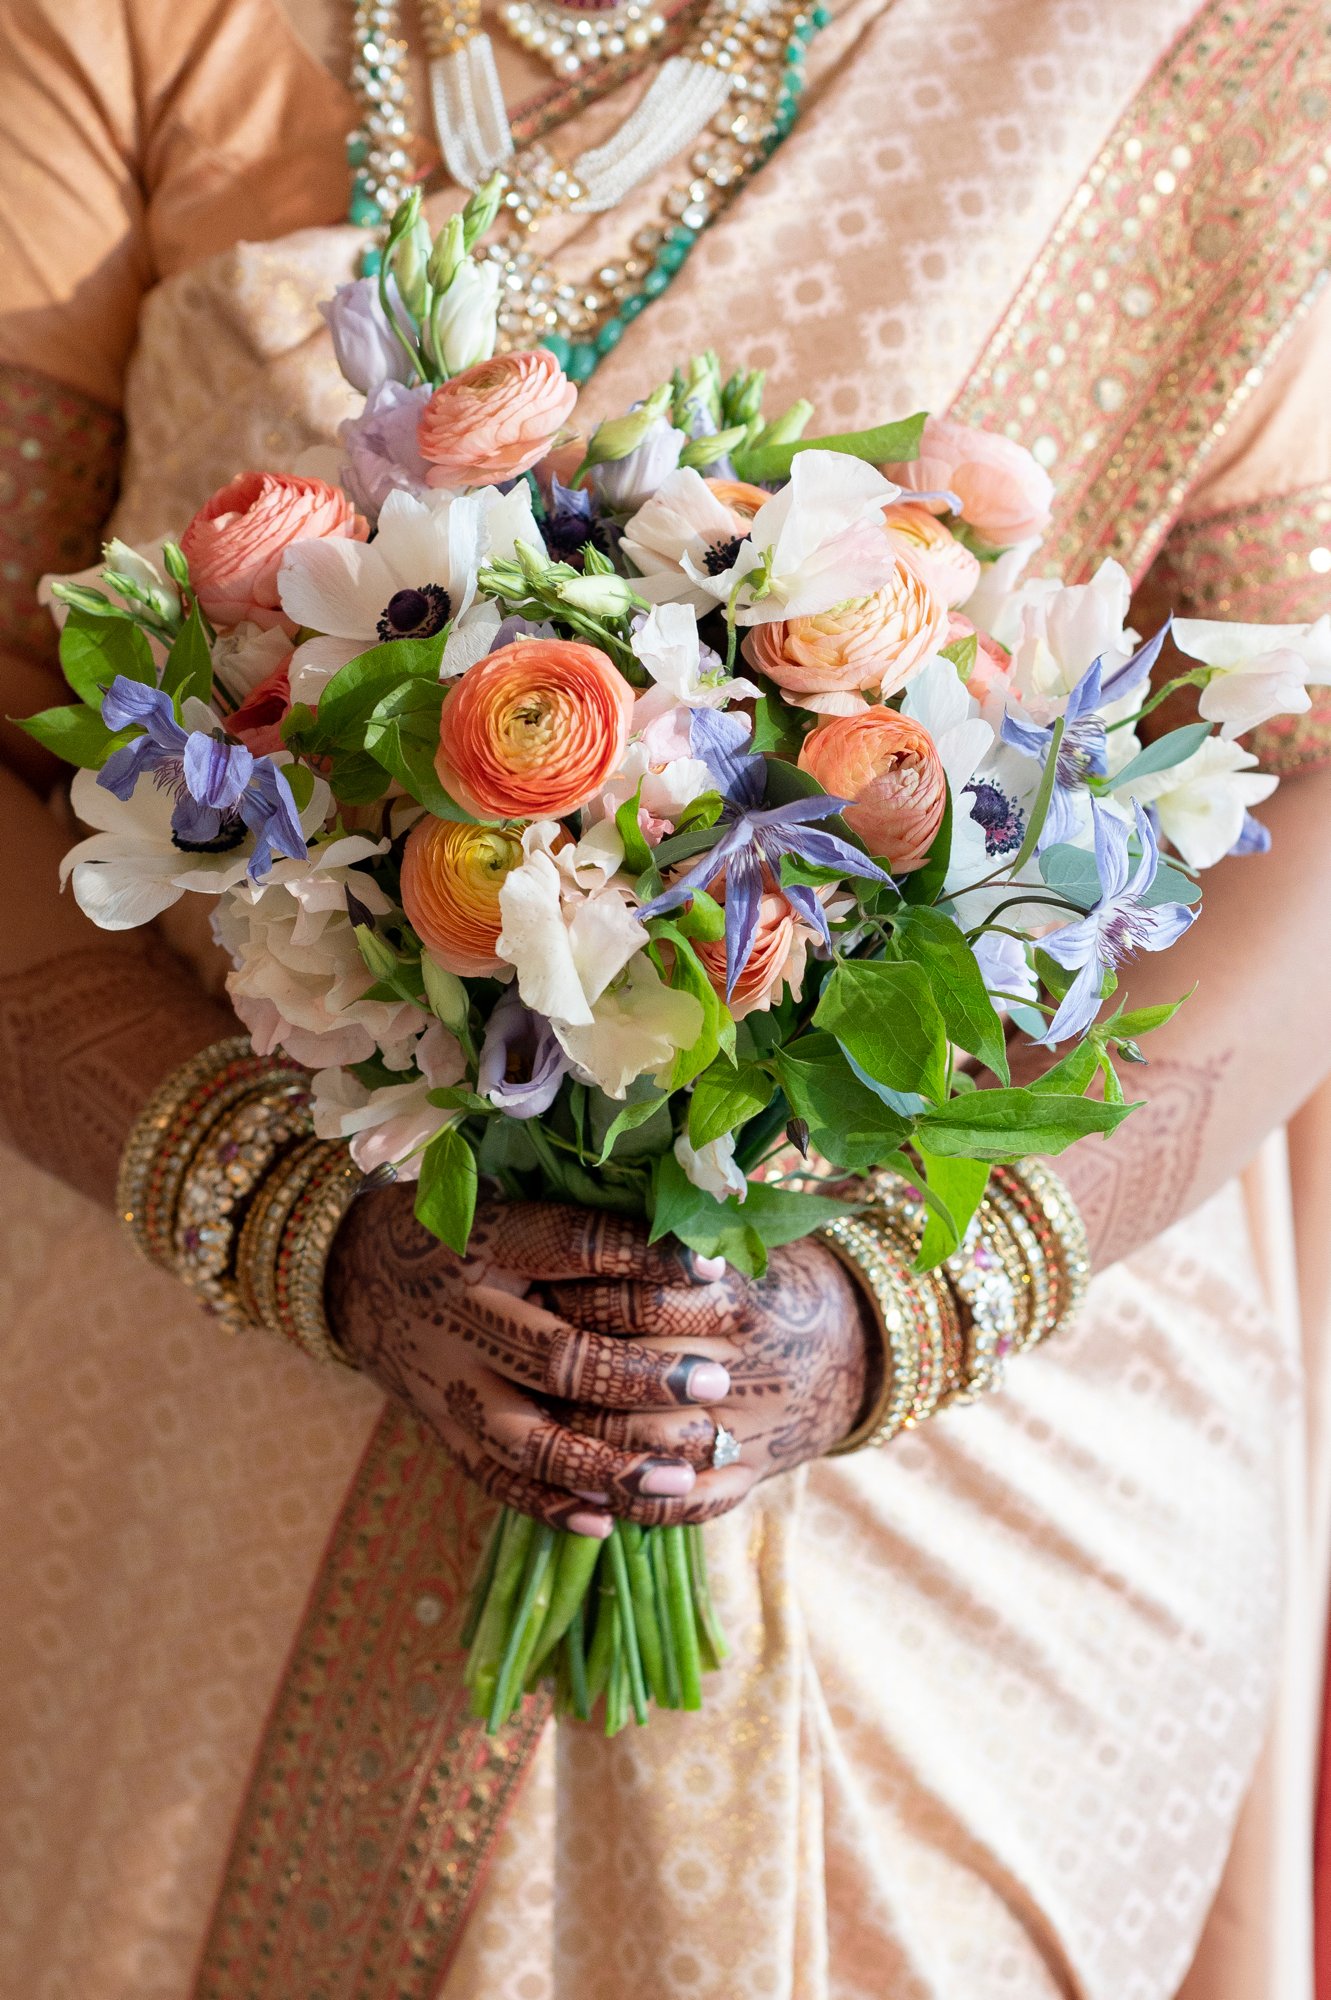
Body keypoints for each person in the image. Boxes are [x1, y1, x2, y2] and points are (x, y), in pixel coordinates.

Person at [0, 2, 1329, 1996]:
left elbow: (1294, 769)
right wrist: (294, 1226)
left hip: (966, 1503)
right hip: (197, 1393)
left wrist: (910, 1303)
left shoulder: (1207, 45)